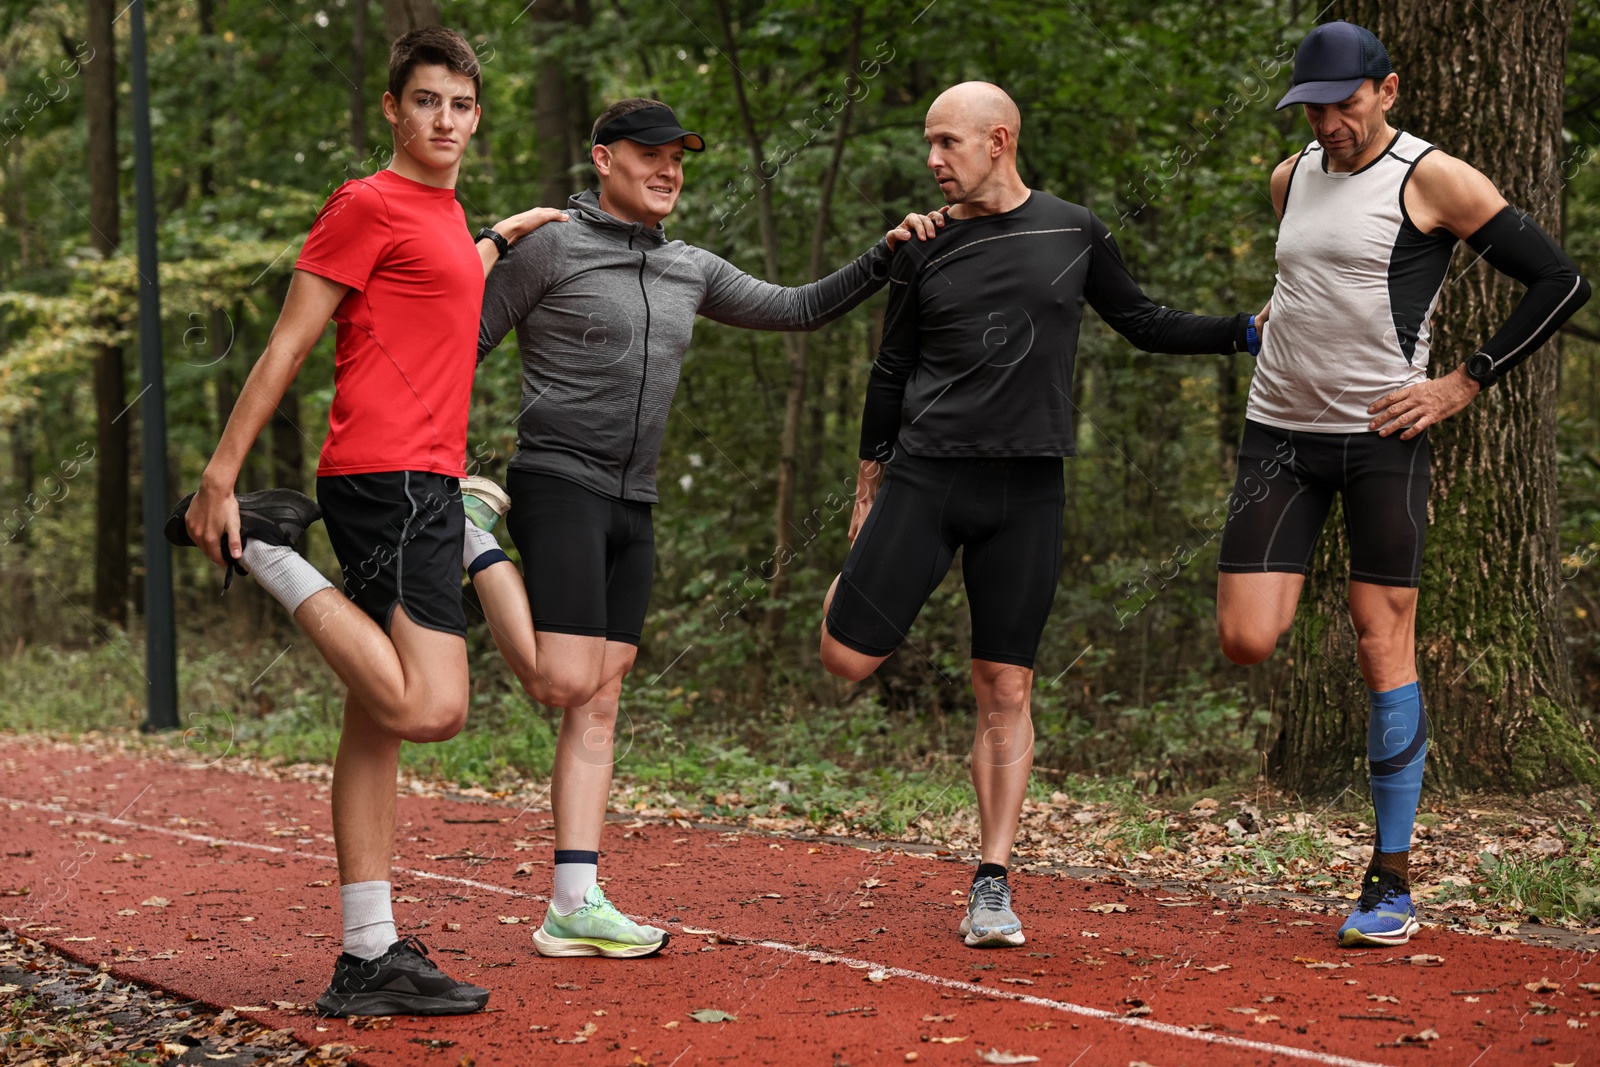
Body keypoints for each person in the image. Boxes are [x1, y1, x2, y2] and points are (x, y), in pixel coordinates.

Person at [471, 97, 941, 959]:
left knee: (603, 696)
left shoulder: (689, 266)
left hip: (634, 499)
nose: (670, 170)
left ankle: (572, 902)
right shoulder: (549, 248)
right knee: (561, 682)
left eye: (679, 158)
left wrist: (886, 253)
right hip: (556, 480)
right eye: (650, 154)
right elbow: (461, 338)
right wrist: (431, 458)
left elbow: (798, 307)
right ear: (602, 157)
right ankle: (475, 536)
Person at [165, 27, 566, 1014]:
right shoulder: (364, 202)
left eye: (462, 106)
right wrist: (221, 478)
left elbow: (435, 284)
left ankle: (366, 953)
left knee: (373, 721)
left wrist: (503, 236)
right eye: (427, 101)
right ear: (393, 107)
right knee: (431, 707)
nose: (446, 120)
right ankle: (268, 546)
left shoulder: (440, 211)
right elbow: (290, 341)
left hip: (415, 475)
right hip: (389, 478)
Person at [818, 82, 1261, 948]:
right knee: (844, 658)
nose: (934, 161)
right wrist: (868, 484)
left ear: (1000, 140)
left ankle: (992, 878)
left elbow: (1142, 321)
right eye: (928, 143)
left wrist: (1246, 331)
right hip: (926, 477)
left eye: (947, 143)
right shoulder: (922, 247)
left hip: (1027, 489)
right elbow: (888, 367)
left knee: (1006, 683)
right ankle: (856, 586)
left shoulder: (1072, 230)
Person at [1215, 21, 1590, 947]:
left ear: (1387, 89)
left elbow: (1560, 281)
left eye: (1344, 104)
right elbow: (1310, 276)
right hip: (1278, 435)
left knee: (1384, 644)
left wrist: (1463, 381)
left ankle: (1389, 878)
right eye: (1312, 108)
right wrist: (1276, 316)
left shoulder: (1435, 179)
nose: (1328, 123)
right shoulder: (1289, 176)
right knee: (1247, 638)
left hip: (1382, 438)